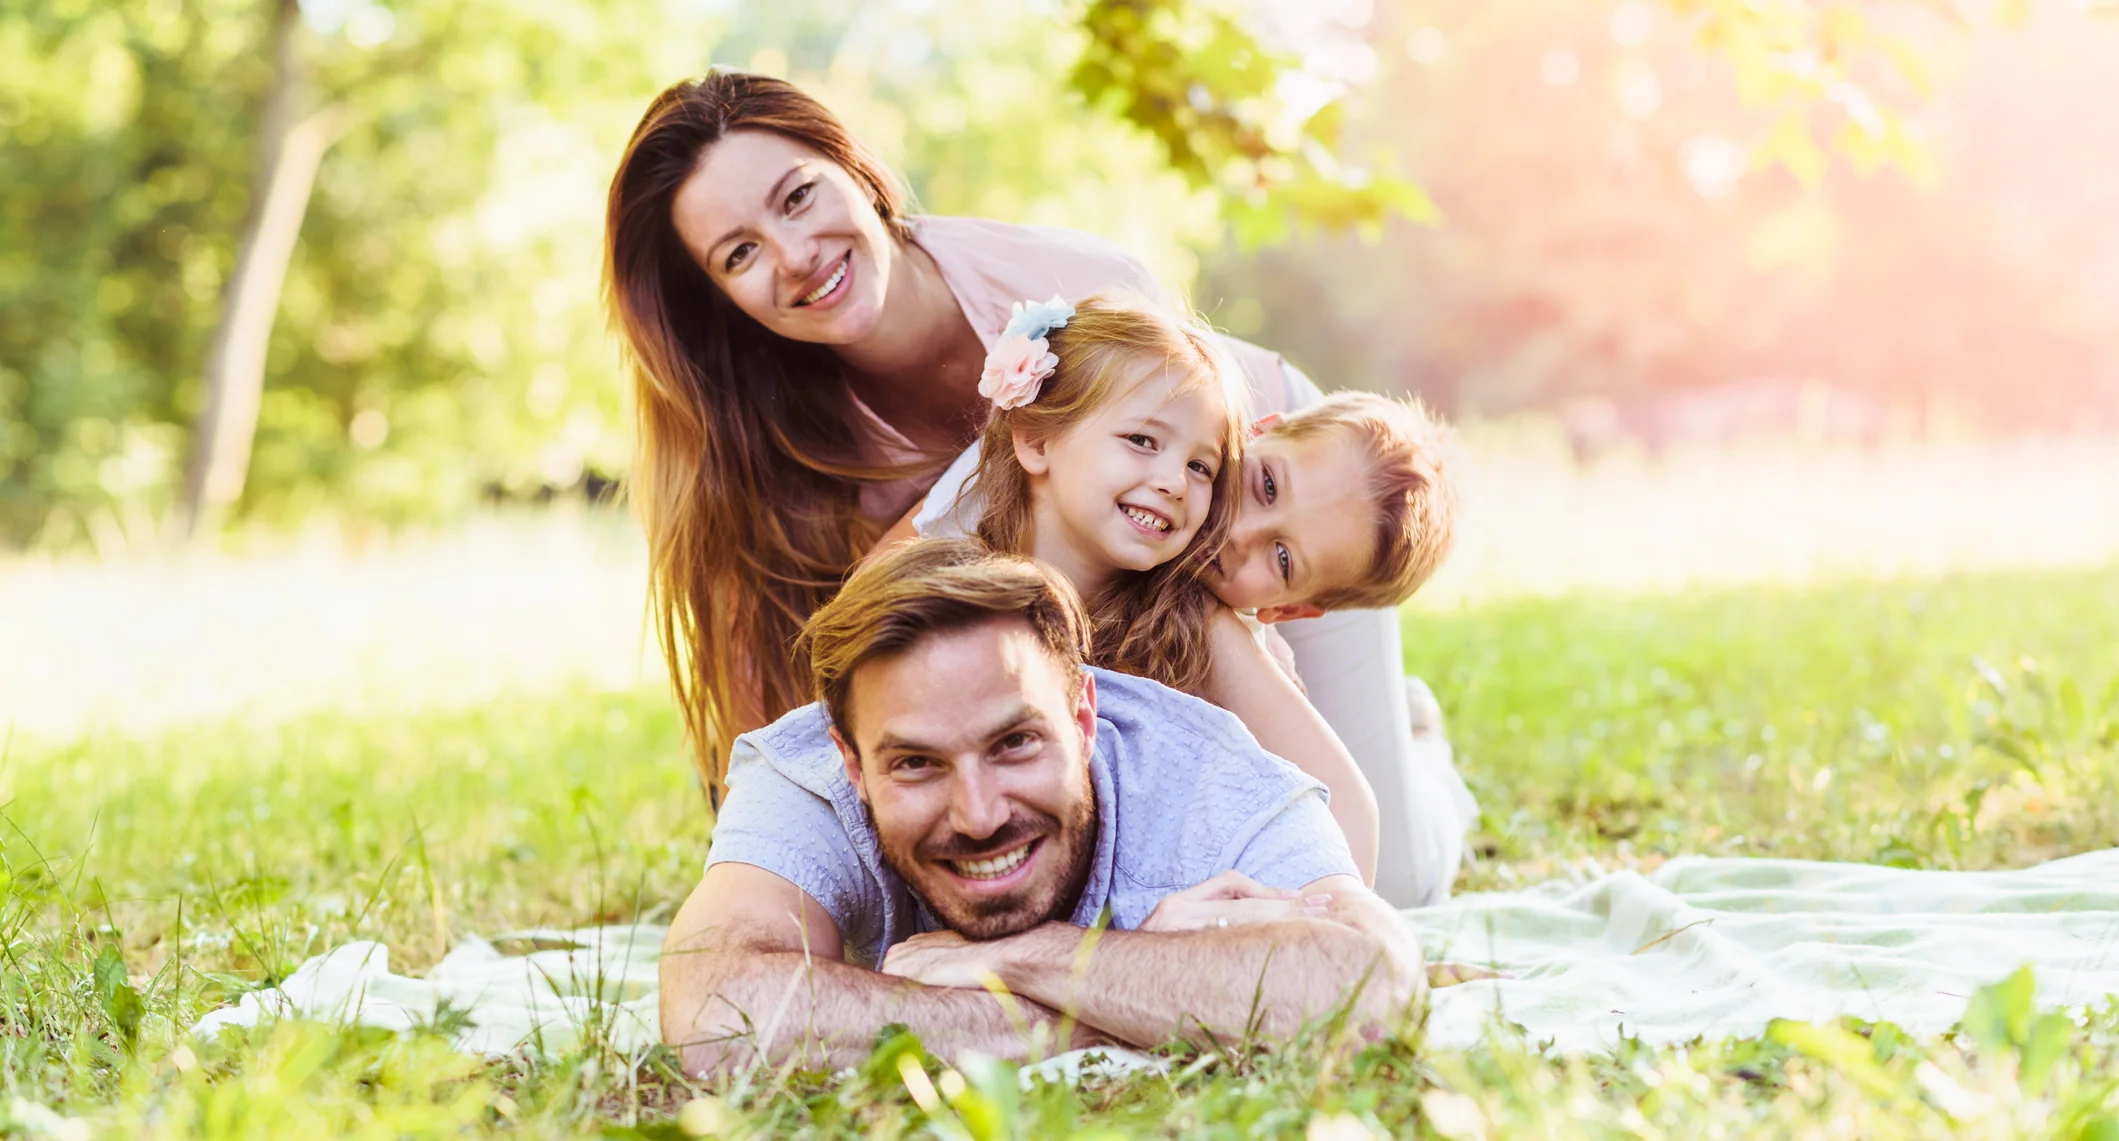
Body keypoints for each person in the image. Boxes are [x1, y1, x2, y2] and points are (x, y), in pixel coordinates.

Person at [606, 70, 1461, 906]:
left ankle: (1412, 736)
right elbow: (786, 680)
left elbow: (1173, 451)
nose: (794, 255)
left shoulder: (1072, 294)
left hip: (1294, 490)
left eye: (798, 196)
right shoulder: (770, 427)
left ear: (855, 169)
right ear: (717, 297)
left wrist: (1241, 549)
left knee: (1390, 885)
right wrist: (779, 843)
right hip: (1097, 583)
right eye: (741, 252)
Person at [659, 539, 1424, 1076]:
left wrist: (1017, 958)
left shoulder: (1212, 778)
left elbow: (1376, 988)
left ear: (1084, 717)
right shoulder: (804, 775)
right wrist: (1125, 1005)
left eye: (1015, 743)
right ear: (852, 763)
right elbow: (715, 1009)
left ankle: (1421, 732)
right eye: (917, 763)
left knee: (1426, 851)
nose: (979, 813)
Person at [900, 291, 1381, 879]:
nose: (1177, 483)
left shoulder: (1191, 624)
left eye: (1201, 467)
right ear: (1037, 439)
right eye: (1143, 441)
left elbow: (1349, 828)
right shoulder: (950, 576)